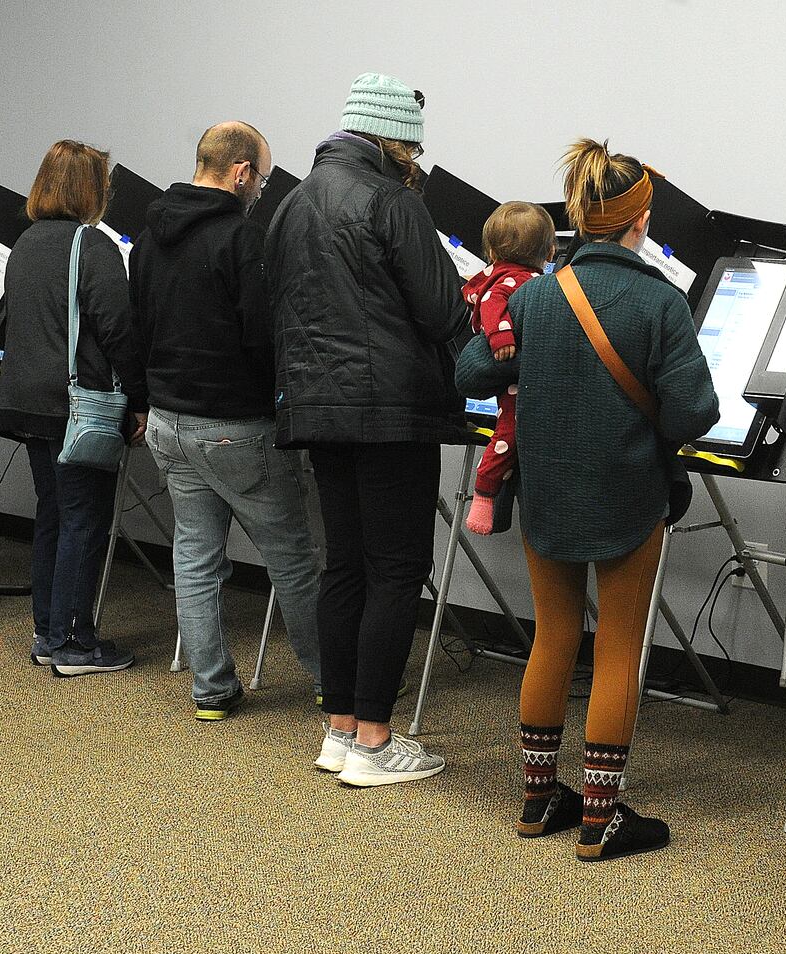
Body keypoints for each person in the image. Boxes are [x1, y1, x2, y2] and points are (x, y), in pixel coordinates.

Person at [457, 139, 719, 861]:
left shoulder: (537, 295)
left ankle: (539, 799)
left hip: (546, 494)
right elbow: (695, 409)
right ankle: (602, 818)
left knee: (553, 637)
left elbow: (473, 370)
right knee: (619, 647)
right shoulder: (659, 300)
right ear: (639, 221)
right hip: (630, 497)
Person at [267, 73, 470, 786]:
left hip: (317, 410)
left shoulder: (290, 202)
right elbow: (445, 308)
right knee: (395, 570)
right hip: (390, 410)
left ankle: (341, 729)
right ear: (394, 139)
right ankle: (378, 743)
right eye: (412, 145)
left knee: (345, 564)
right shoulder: (390, 199)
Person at [129, 122, 323, 721]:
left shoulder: (146, 235)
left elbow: (138, 330)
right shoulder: (242, 239)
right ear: (240, 171)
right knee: (291, 557)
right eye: (261, 177)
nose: (262, 189)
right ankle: (334, 684)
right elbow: (261, 338)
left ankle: (211, 688)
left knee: (194, 555)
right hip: (234, 426)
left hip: (167, 422)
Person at [0, 140, 148, 677]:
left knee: (53, 516)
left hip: (28, 403)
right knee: (85, 520)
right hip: (77, 406)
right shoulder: (92, 244)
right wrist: (140, 398)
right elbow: (117, 330)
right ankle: (74, 644)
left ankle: (47, 631)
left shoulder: (26, 243)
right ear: (91, 188)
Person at [461, 201, 557, 536]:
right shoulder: (515, 280)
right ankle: (484, 494)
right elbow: (491, 305)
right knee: (508, 433)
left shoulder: (508, 276)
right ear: (550, 249)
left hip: (517, 377)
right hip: (512, 375)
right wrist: (501, 338)